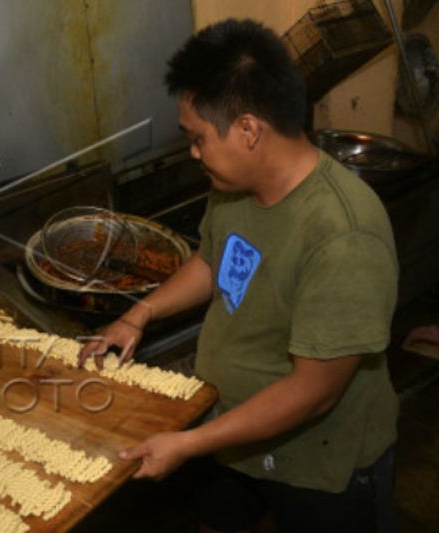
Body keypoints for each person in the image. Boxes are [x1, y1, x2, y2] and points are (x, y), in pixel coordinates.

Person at [79, 19, 398, 533]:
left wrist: (187, 443)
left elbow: (313, 393)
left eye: (199, 138)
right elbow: (213, 260)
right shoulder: (234, 187)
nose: (194, 152)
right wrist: (139, 314)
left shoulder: (342, 235)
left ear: (249, 130)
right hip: (230, 437)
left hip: (318, 465)